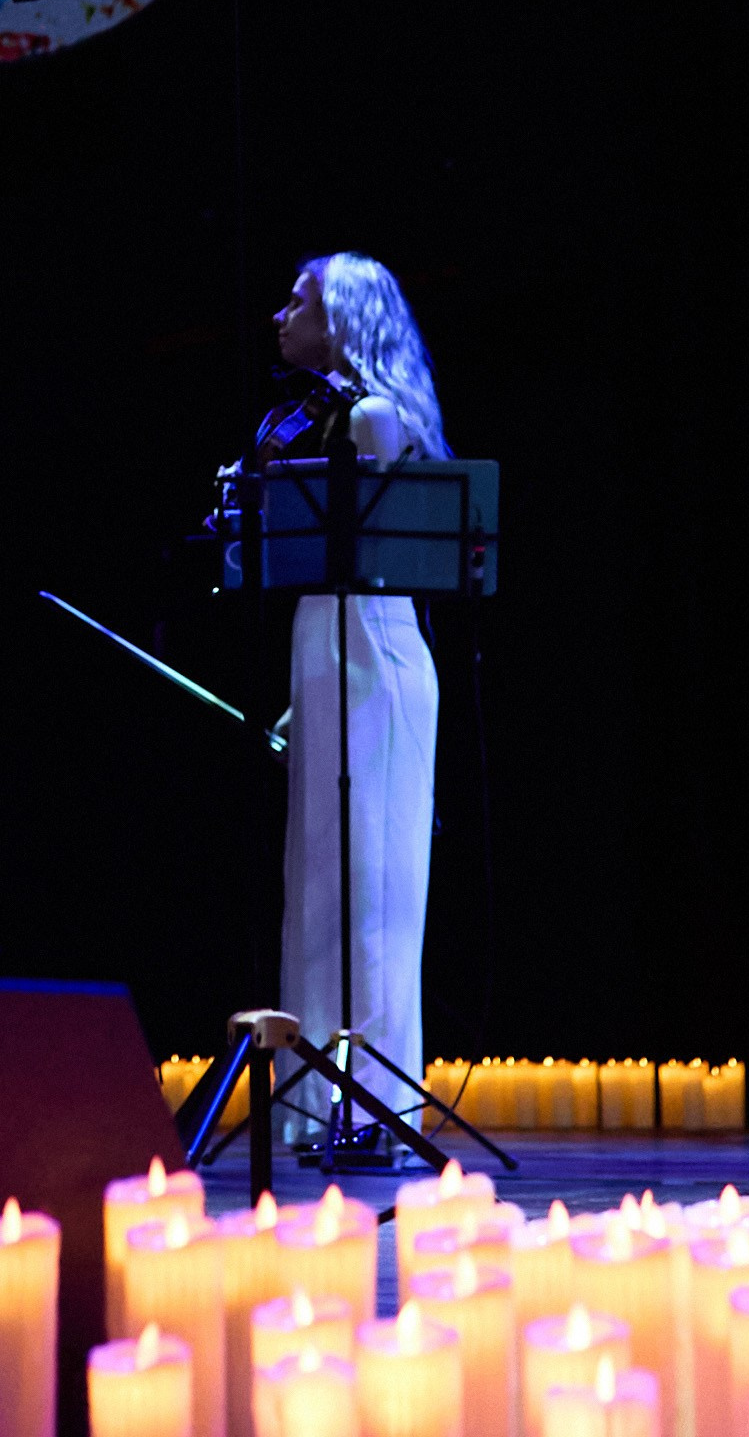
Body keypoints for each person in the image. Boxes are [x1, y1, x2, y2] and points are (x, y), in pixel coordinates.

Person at [255, 252, 445, 1132]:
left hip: (372, 653)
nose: (279, 314)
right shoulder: (321, 417)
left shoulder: (369, 416)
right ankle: (320, 1097)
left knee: (369, 886)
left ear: (341, 322)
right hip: (329, 652)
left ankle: (368, 1104)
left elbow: (368, 564)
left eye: (299, 303)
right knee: (321, 883)